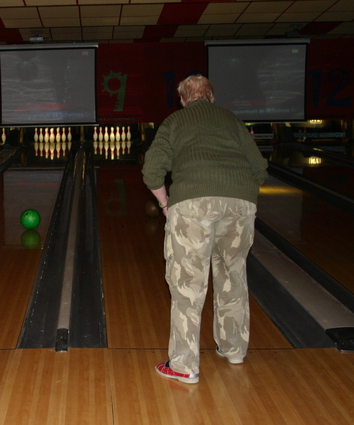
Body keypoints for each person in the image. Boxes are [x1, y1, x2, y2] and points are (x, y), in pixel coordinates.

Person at [142, 74, 268, 384]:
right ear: (210, 97)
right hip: (240, 203)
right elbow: (260, 168)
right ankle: (234, 348)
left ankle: (184, 366)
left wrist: (165, 204)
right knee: (232, 274)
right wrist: (239, 195)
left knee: (188, 285)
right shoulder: (232, 120)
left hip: (193, 205)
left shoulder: (175, 121)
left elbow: (151, 171)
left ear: (183, 100)